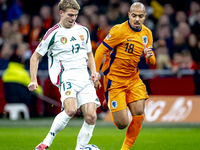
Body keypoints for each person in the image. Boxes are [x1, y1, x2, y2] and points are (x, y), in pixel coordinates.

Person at [28, 0, 101, 150]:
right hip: (65, 76)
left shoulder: (83, 31)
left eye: (75, 15)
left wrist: (93, 71)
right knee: (71, 109)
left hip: (84, 77)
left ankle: (80, 148)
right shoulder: (52, 33)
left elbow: (89, 53)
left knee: (91, 116)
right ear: (61, 13)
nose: (73, 18)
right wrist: (33, 80)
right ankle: (45, 143)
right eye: (70, 15)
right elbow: (35, 57)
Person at [94, 2, 156, 150]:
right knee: (122, 124)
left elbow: (152, 62)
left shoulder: (147, 33)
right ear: (129, 15)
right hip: (114, 80)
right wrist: (95, 73)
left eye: (140, 16)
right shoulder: (119, 30)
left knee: (139, 113)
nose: (136, 19)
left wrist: (150, 55)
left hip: (133, 79)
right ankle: (109, 100)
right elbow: (100, 51)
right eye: (134, 15)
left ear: (144, 17)